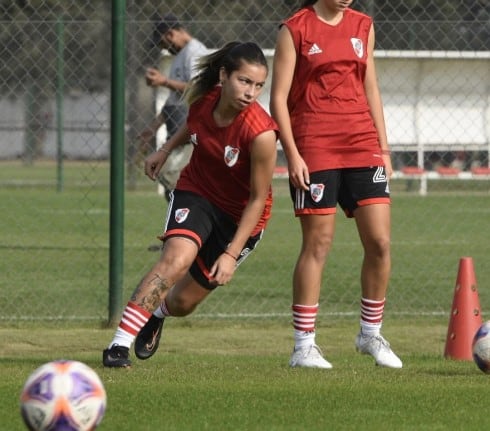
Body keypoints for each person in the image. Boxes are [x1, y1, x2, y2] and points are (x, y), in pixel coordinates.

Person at [103, 41, 279, 368]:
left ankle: (156, 315)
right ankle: (118, 345)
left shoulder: (262, 133)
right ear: (224, 76)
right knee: (175, 260)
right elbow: (193, 124)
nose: (251, 92)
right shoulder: (206, 98)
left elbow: (257, 199)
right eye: (244, 81)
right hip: (197, 192)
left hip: (240, 218)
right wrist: (165, 149)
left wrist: (229, 254)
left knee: (183, 302)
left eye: (258, 85)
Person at [270, 0, 402, 369]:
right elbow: (278, 98)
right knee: (318, 244)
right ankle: (303, 346)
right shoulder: (294, 29)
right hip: (315, 144)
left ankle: (370, 334)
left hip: (362, 143)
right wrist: (292, 153)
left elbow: (371, 88)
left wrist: (384, 148)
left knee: (379, 242)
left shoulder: (364, 25)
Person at [139, 13, 208, 202]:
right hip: (176, 130)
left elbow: (200, 89)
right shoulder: (180, 56)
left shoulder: (195, 53)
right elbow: (174, 100)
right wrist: (152, 127)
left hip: (190, 131)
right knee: (167, 176)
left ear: (170, 34)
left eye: (162, 43)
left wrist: (164, 81)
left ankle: (186, 222)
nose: (164, 48)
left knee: (173, 179)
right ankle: (181, 222)